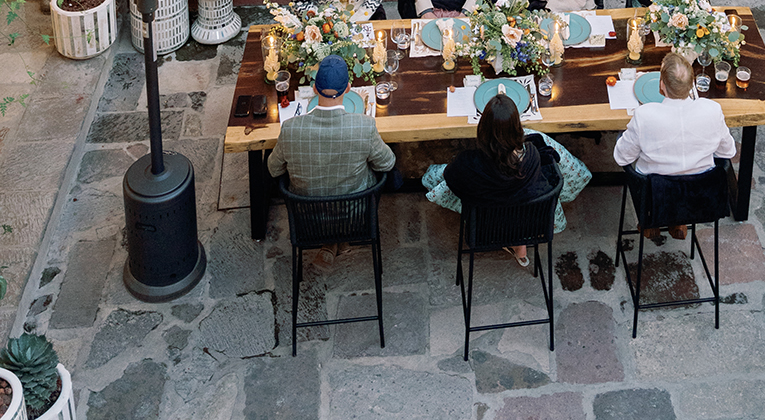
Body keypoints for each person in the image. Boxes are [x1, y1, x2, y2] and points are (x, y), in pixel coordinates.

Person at [422, 94, 592, 263]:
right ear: (518, 127)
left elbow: (452, 180)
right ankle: (518, 244)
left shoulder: (467, 163)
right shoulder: (533, 155)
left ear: (482, 129)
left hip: (486, 228)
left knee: (434, 175)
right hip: (527, 223)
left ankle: (513, 242)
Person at [613, 52, 736, 240]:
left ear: (661, 84)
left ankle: (652, 222)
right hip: (700, 199)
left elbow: (622, 157)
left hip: (655, 198)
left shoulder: (645, 115)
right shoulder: (712, 110)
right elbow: (728, 151)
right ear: (692, 84)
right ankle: (678, 221)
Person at [267, 54, 395, 201]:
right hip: (355, 212)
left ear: (315, 88)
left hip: (306, 216)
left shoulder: (289, 129)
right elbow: (387, 163)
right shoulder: (365, 126)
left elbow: (274, 169)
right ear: (347, 88)